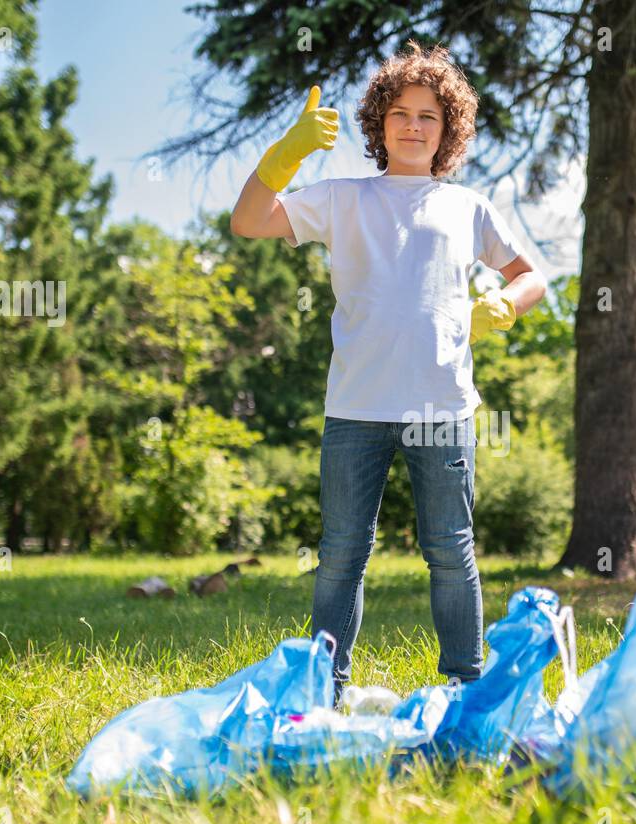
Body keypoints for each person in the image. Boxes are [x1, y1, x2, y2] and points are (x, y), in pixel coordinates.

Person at [229, 40, 548, 701]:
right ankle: (326, 689)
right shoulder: (344, 198)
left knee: (450, 551)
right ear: (377, 125)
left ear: (448, 130)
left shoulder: (467, 206)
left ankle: (465, 689)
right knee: (343, 553)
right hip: (355, 408)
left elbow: (531, 276)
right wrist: (283, 156)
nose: (412, 125)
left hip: (442, 408)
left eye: (428, 116)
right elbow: (249, 219)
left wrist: (505, 306)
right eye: (399, 113)